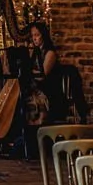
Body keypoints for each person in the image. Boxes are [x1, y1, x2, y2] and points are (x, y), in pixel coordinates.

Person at [20, 20, 86, 153]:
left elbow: (43, 74)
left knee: (29, 101)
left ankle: (37, 139)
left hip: (51, 91)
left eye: (37, 35)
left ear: (43, 35)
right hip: (39, 88)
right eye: (33, 36)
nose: (35, 38)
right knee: (22, 99)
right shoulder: (36, 52)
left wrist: (29, 72)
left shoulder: (50, 53)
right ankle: (28, 140)